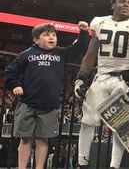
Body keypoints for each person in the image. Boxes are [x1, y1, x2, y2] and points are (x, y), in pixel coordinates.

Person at [74, 0, 129, 169]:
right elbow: (90, 54)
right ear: (112, 4)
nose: (126, 5)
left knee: (121, 125)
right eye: (122, 1)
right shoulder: (100, 22)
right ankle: (82, 163)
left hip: (122, 80)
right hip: (101, 77)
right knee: (88, 121)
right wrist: (81, 78)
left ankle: (114, 166)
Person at [4, 21, 89, 169]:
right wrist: (15, 85)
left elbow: (79, 47)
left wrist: (83, 32)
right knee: (25, 140)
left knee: (43, 140)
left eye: (54, 34)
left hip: (49, 106)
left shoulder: (61, 53)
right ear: (36, 40)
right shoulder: (27, 54)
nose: (52, 37)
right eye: (46, 34)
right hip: (27, 103)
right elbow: (10, 71)